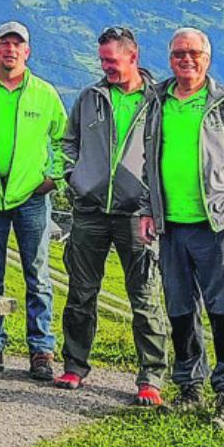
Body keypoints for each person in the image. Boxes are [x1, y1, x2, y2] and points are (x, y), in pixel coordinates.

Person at [150, 27, 224, 428]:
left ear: (207, 58)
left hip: (216, 225)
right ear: (170, 59)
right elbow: (142, 158)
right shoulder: (157, 101)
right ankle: (189, 387)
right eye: (179, 53)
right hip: (170, 226)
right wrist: (149, 208)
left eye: (194, 53)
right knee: (180, 311)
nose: (187, 59)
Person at [54, 25, 169, 406]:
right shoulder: (90, 98)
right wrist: (75, 178)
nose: (105, 67)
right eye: (102, 60)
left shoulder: (158, 101)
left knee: (144, 297)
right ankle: (75, 365)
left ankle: (151, 377)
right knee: (81, 293)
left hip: (137, 214)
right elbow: (68, 142)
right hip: (89, 211)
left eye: (112, 61)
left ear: (133, 57)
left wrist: (153, 199)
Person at [0, 21, 67, 379]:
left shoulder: (45, 93)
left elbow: (64, 140)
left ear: (27, 51)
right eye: (4, 43)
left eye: (17, 44)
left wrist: (53, 177)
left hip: (31, 197)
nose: (10, 50)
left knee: (37, 273)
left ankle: (41, 350)